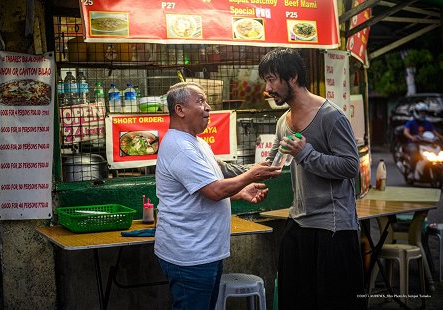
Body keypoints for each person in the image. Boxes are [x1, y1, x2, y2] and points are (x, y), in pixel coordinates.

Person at [154, 81, 281, 310]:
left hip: (205, 252)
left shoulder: (197, 143)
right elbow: (214, 191)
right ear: (180, 110)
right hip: (190, 256)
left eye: (206, 101)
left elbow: (202, 192)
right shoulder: (180, 147)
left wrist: (240, 192)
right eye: (200, 101)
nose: (208, 107)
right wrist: (251, 175)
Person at [258, 48, 366, 310]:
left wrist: (306, 153)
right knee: (295, 300)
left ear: (292, 76)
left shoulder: (331, 116)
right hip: (299, 223)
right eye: (266, 81)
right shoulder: (284, 120)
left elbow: (351, 166)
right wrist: (246, 179)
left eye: (272, 80)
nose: (267, 88)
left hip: (333, 227)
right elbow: (271, 164)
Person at [403, 102, 443, 177]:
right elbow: (406, 132)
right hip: (414, 143)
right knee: (414, 153)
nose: (422, 114)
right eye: (421, 112)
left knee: (438, 152)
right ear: (416, 112)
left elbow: (435, 133)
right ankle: (412, 171)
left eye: (424, 112)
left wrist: (440, 137)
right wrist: (412, 137)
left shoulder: (428, 123)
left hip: (426, 143)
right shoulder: (411, 122)